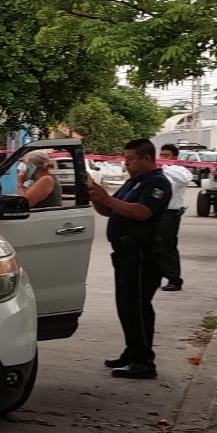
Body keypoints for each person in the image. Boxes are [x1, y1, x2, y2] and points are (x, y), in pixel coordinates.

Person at [89, 138, 172, 380]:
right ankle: (133, 351)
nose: (127, 163)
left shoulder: (158, 183)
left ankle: (143, 361)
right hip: (125, 254)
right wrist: (96, 197)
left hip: (142, 255)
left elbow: (142, 212)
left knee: (137, 307)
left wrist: (107, 199)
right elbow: (110, 209)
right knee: (126, 307)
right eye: (126, 158)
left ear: (147, 158)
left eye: (131, 159)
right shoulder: (134, 181)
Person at [158, 143, 194, 292]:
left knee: (168, 246)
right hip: (156, 212)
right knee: (154, 245)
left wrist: (166, 167)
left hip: (170, 213)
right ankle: (158, 274)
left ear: (175, 157)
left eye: (166, 156)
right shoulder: (158, 170)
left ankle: (174, 279)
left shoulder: (181, 171)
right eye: (161, 155)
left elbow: (184, 181)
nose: (163, 158)